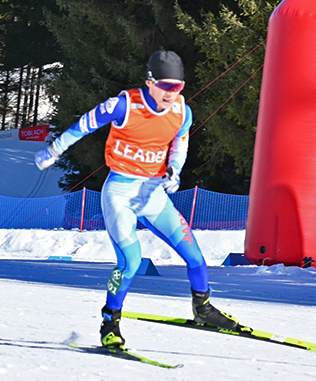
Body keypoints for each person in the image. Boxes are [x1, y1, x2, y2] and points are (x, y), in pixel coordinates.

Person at [34, 50, 238, 347]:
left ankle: (202, 308)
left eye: (177, 87)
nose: (171, 93)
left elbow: (180, 144)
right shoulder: (124, 104)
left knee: (196, 259)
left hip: (154, 195)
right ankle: (110, 322)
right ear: (150, 82)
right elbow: (83, 125)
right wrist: (54, 151)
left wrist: (175, 171)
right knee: (130, 262)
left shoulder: (182, 110)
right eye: (166, 86)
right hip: (120, 195)